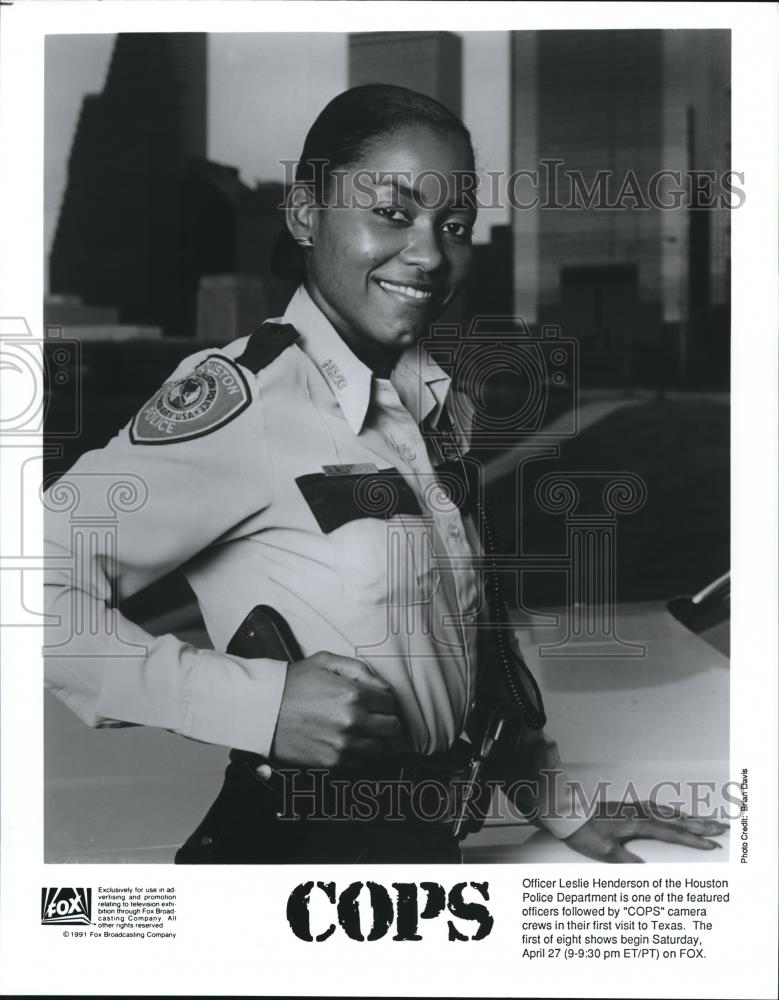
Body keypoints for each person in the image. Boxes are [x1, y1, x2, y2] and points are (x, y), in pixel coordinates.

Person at [43, 83, 726, 863]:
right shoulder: (248, 401)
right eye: (391, 213)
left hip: (424, 852)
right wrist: (258, 706)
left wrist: (558, 804)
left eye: (455, 225)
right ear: (305, 213)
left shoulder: (433, 403)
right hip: (295, 858)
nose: (431, 255)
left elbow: (465, 637)